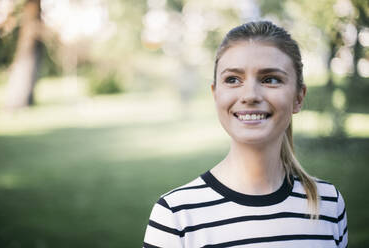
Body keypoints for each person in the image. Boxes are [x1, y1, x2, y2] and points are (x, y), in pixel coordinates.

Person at [143, 21, 348, 247]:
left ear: (298, 97)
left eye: (270, 79)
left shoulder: (328, 203)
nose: (250, 95)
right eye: (233, 79)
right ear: (215, 94)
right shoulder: (176, 216)